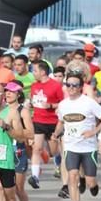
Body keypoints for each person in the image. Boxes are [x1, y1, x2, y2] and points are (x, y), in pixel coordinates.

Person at [52, 72, 101, 201]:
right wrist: (56, 133)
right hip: (70, 146)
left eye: (74, 85)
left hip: (88, 147)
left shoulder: (89, 102)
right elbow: (61, 122)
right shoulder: (63, 104)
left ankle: (91, 184)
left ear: (81, 87)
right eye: (68, 85)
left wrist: (94, 131)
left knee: (91, 182)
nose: (71, 88)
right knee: (72, 176)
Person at [4, 80, 34, 201]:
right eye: (6, 91)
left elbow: (30, 134)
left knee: (18, 188)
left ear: (18, 94)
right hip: (2, 152)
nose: (8, 93)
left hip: (18, 151)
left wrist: (14, 131)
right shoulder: (1, 110)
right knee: (3, 188)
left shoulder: (23, 111)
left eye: (11, 91)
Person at [28, 61, 64, 189]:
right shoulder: (34, 86)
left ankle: (62, 163)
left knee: (54, 152)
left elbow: (63, 103)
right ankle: (35, 177)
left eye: (35, 71)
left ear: (43, 72)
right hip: (38, 120)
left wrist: (50, 105)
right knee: (36, 148)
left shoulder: (55, 86)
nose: (33, 73)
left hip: (53, 122)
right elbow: (34, 101)